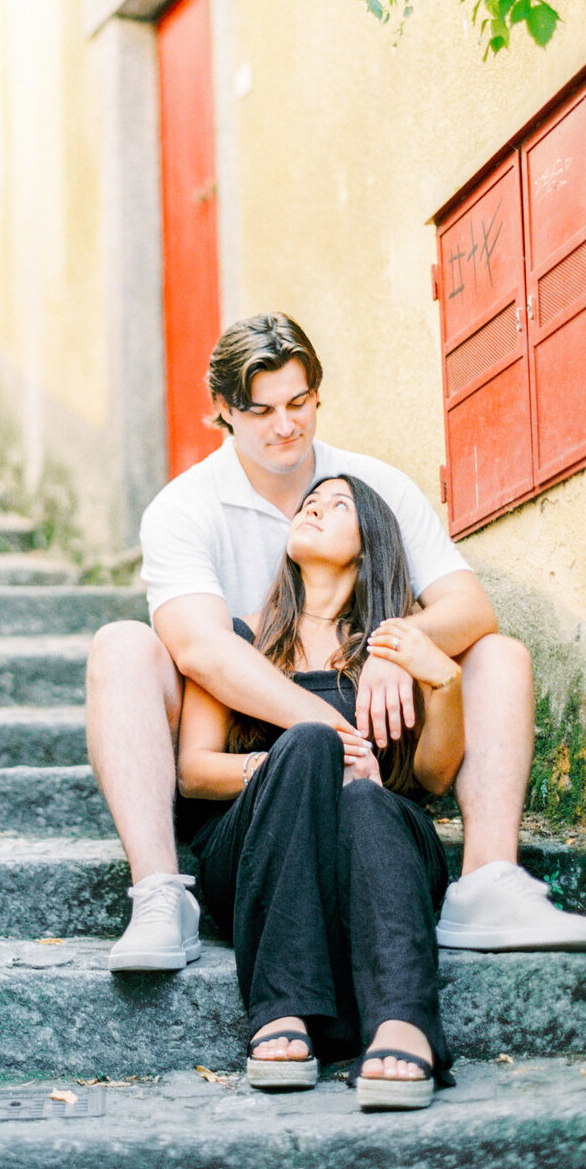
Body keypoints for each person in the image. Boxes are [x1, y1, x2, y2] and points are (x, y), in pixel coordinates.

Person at [87, 312, 586, 974]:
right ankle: (159, 892)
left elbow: (471, 608)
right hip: (243, 754)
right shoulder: (186, 508)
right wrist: (328, 736)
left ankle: (488, 880)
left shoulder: (370, 486)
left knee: (500, 654)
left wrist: (391, 644)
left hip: (381, 753)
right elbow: (203, 651)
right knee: (122, 646)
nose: (285, 426)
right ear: (223, 410)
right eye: (261, 409)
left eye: (299, 403)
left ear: (318, 395)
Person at [178, 473, 463, 1109]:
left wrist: (442, 682)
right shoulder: (240, 639)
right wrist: (289, 769)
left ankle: (403, 1023)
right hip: (256, 852)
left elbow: (433, 780)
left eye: (339, 504)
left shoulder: (393, 645)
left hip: (370, 847)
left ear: (369, 545)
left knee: (367, 798)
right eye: (311, 500)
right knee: (308, 744)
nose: (314, 506)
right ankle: (281, 1009)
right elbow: (193, 772)